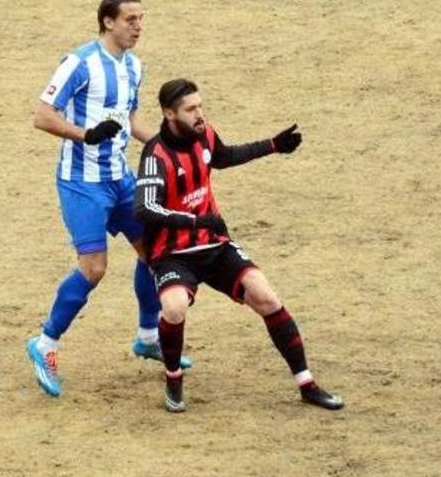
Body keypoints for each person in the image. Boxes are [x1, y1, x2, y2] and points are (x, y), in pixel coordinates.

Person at [133, 78, 344, 412]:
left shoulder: (205, 135)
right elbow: (145, 208)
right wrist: (195, 221)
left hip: (214, 244)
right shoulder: (155, 155)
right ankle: (173, 378)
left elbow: (224, 156)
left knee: (266, 297)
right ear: (169, 114)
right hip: (173, 254)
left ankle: (307, 384)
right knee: (174, 308)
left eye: (200, 106)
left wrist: (273, 145)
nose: (199, 114)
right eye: (190, 109)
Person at [27, 0, 191, 398]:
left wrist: (169, 146)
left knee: (154, 253)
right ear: (107, 22)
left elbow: (129, 118)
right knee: (94, 268)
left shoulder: (134, 66)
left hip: (120, 179)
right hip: (82, 183)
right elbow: (42, 115)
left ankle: (147, 336)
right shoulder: (80, 63)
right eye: (130, 19)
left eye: (141, 19)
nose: (138, 26)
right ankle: (45, 343)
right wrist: (85, 135)